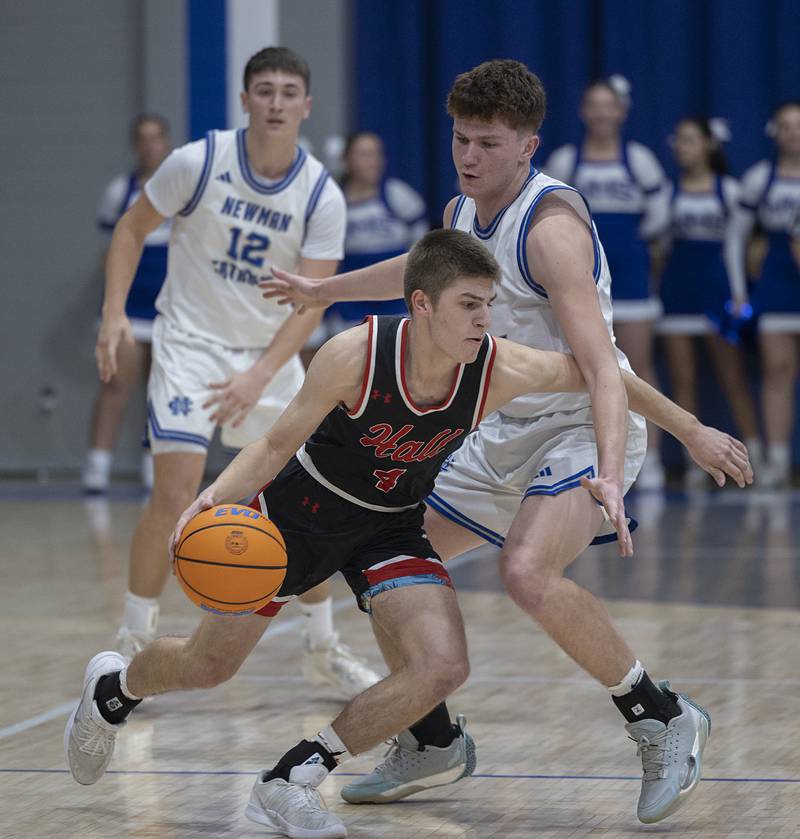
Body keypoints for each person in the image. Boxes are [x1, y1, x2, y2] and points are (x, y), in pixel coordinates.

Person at [66, 229, 744, 837]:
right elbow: (274, 444)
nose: (486, 319)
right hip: (297, 520)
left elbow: (605, 374)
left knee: (444, 664)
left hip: (389, 526)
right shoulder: (353, 354)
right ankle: (115, 687)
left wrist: (690, 429)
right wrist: (215, 498)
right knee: (206, 665)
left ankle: (294, 776)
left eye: (489, 303)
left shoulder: (497, 366)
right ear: (421, 304)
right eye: (469, 305)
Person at [264, 60, 752, 824]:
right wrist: (321, 289)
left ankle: (661, 715)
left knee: (527, 570)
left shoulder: (551, 230)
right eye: (461, 138)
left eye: (488, 142)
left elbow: (600, 366)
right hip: (504, 427)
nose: (468, 155)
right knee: (384, 557)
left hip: (585, 420)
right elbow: (418, 268)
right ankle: (431, 739)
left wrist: (623, 472)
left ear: (529, 145)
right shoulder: (464, 209)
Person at [95, 47, 378, 695]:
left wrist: (260, 375)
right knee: (176, 490)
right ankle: (134, 641)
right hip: (191, 344)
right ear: (245, 99)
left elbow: (313, 302)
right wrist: (114, 313)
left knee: (307, 501)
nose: (276, 103)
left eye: (288, 92)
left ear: (306, 106)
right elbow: (131, 230)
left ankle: (322, 644)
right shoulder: (197, 162)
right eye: (264, 91)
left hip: (266, 357)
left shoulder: (319, 195)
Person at [545, 76, 670, 488]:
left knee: (638, 364)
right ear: (584, 111)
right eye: (593, 105)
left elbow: (659, 213)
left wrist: (636, 243)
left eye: (608, 105)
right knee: (584, 366)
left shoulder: (640, 160)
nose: (601, 113)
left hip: (631, 277)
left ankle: (648, 461)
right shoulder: (565, 161)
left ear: (621, 111)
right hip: (581, 278)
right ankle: (589, 455)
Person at [656, 117, 761, 487]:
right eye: (678, 140)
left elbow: (739, 245)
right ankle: (693, 465)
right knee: (683, 381)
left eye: (689, 140)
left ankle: (756, 460)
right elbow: (661, 245)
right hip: (677, 293)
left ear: (708, 145)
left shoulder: (729, 190)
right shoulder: (667, 192)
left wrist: (737, 293)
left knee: (732, 379)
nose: (682, 147)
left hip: (718, 293)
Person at [83, 114, 172, 494]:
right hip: (130, 311)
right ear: (134, 145)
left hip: (172, 310)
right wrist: (111, 307)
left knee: (163, 389)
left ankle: (154, 466)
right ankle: (96, 468)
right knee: (116, 385)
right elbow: (110, 252)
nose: (149, 145)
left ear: (166, 143)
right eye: (142, 139)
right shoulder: (120, 191)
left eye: (156, 138)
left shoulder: (182, 189)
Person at [727, 101, 800, 488]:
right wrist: (740, 291)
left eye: (798, 126)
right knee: (777, 373)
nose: (793, 133)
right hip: (777, 289)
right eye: (786, 126)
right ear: (776, 132)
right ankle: (777, 460)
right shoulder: (760, 178)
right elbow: (734, 239)